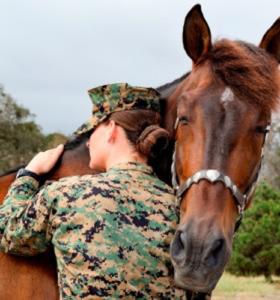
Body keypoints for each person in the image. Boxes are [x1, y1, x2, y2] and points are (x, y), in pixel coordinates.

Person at [0, 83, 186, 299]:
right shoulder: (179, 208)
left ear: (111, 129)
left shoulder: (68, 195)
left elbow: (9, 232)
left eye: (93, 129)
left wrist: (29, 175)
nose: (88, 143)